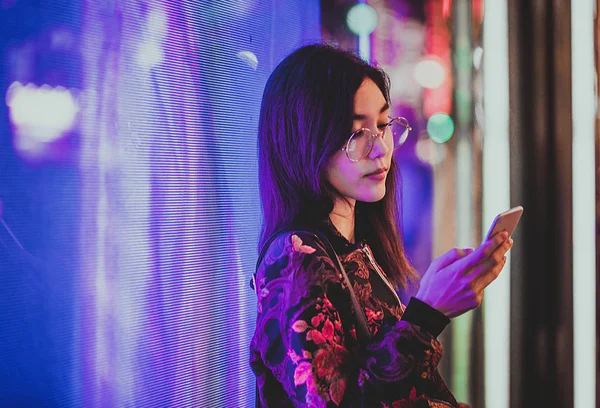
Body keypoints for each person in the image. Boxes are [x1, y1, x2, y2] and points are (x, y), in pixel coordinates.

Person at [249, 44, 512, 408]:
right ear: (306, 139)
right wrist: (427, 313)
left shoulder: (353, 246)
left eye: (384, 125)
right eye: (357, 132)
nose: (381, 148)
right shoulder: (294, 256)